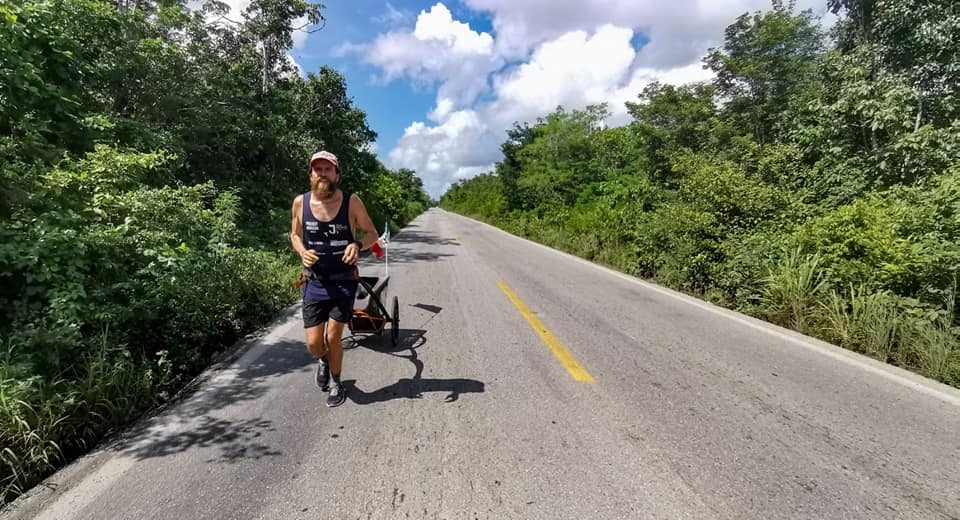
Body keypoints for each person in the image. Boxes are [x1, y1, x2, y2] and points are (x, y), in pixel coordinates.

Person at [290, 150, 379, 407]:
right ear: (311, 175)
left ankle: (337, 383)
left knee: (333, 337)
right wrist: (302, 251)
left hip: (344, 280)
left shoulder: (351, 202)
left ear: (336, 174)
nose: (322, 173)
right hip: (314, 281)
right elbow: (294, 235)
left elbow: (372, 233)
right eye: (317, 169)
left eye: (328, 169)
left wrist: (358, 244)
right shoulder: (300, 203)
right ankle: (324, 359)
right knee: (314, 344)